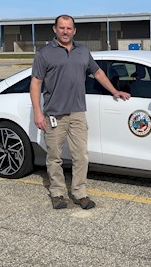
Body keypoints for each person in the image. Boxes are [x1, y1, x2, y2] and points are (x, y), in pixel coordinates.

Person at [30, 14, 130, 210]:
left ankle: (79, 193)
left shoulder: (83, 51)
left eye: (69, 28)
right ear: (55, 29)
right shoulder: (44, 53)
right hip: (54, 114)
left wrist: (114, 91)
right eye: (62, 28)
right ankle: (57, 193)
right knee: (54, 156)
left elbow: (98, 72)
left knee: (80, 155)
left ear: (74, 31)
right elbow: (36, 82)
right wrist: (37, 112)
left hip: (77, 113)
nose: (65, 31)